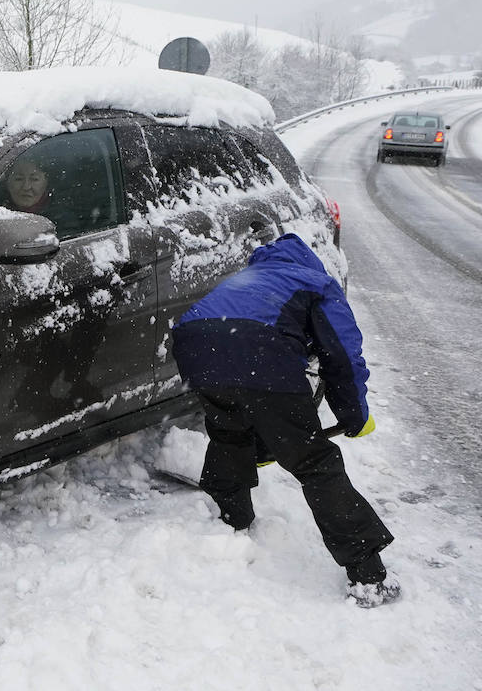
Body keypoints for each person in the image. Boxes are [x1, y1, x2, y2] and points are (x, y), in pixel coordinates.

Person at [171, 232, 400, 608]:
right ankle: (367, 575)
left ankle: (230, 520)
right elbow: (342, 357)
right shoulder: (317, 282)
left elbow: (236, 347)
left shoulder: (247, 279)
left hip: (197, 345)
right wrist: (354, 415)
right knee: (314, 462)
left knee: (230, 433)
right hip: (258, 353)